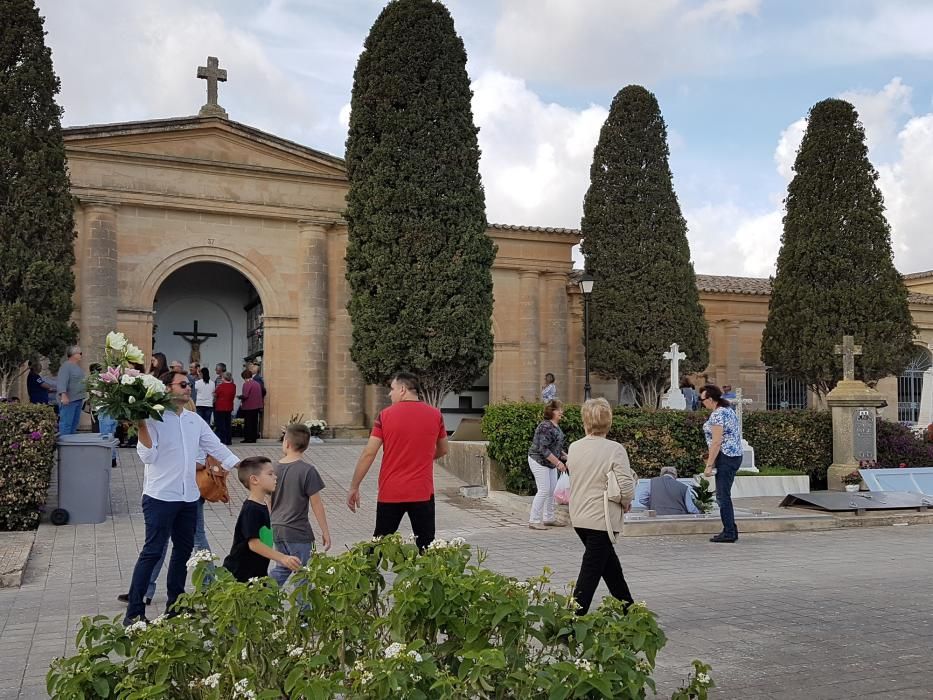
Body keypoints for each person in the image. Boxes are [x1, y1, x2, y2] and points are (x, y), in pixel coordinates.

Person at [123, 370, 241, 625]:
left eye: (189, 384)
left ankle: (175, 606)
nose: (189, 388)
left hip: (189, 497)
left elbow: (215, 446)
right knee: (152, 552)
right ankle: (134, 612)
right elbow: (148, 456)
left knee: (183, 551)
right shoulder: (153, 419)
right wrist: (141, 423)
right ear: (166, 388)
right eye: (183, 384)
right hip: (160, 496)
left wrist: (242, 466)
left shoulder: (193, 420)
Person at [346, 372, 448, 551]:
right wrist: (421, 457)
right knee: (427, 545)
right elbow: (444, 449)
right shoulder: (435, 415)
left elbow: (369, 453)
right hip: (422, 492)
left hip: (391, 491)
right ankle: (429, 579)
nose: (389, 394)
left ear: (402, 389)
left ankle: (366, 577)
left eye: (391, 389)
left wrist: (354, 486)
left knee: (379, 544)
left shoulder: (385, 416)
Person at [567, 397, 637, 615]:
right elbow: (626, 486)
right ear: (609, 421)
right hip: (602, 518)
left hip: (579, 516)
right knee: (590, 572)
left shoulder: (574, 447)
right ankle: (569, 622)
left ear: (585, 421)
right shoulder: (614, 449)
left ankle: (629, 609)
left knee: (609, 567)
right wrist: (626, 503)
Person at [269, 423, 331, 587]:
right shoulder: (308, 471)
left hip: (277, 528)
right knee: (303, 573)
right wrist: (325, 531)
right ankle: (304, 610)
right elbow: (317, 504)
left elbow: (267, 500)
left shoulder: (273, 468)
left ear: (287, 443)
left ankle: (263, 594)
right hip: (298, 531)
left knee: (283, 566)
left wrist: (269, 524)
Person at [223, 456, 302, 583]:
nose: (275, 477)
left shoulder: (262, 505)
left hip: (256, 574)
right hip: (240, 576)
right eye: (270, 474)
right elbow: (254, 544)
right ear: (254, 480)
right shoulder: (251, 509)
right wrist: (282, 558)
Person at [700, 384, 743, 543]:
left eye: (702, 399)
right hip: (734, 456)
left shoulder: (718, 415)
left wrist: (709, 465)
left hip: (725, 457)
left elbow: (717, 441)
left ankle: (729, 532)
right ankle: (731, 528)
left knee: (722, 496)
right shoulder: (728, 411)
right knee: (724, 494)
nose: (702, 402)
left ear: (710, 399)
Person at [526, 400, 568, 530]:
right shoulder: (545, 427)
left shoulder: (555, 426)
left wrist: (564, 455)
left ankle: (548, 518)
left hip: (549, 462)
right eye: (558, 409)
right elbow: (543, 449)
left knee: (552, 490)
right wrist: (558, 463)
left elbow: (555, 445)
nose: (561, 412)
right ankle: (534, 520)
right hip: (538, 460)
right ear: (551, 411)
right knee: (544, 490)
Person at [56, 345, 86, 435]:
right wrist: (63, 395)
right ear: (73, 355)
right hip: (69, 400)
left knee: (74, 424)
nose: (81, 355)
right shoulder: (66, 367)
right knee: (66, 424)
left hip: (78, 399)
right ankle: (65, 444)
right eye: (80, 353)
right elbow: (62, 381)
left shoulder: (77, 367)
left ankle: (71, 445)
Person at [238, 369, 263, 443]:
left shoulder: (247, 384)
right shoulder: (257, 383)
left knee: (248, 423)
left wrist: (239, 397)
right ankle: (253, 438)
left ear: (245, 377)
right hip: (257, 406)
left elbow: (245, 395)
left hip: (249, 406)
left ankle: (248, 438)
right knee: (254, 423)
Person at [213, 371, 236, 445]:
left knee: (221, 425)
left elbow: (215, 394)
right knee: (228, 424)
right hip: (229, 407)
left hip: (220, 407)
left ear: (224, 378)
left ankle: (222, 440)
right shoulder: (233, 386)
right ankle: (229, 440)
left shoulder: (221, 386)